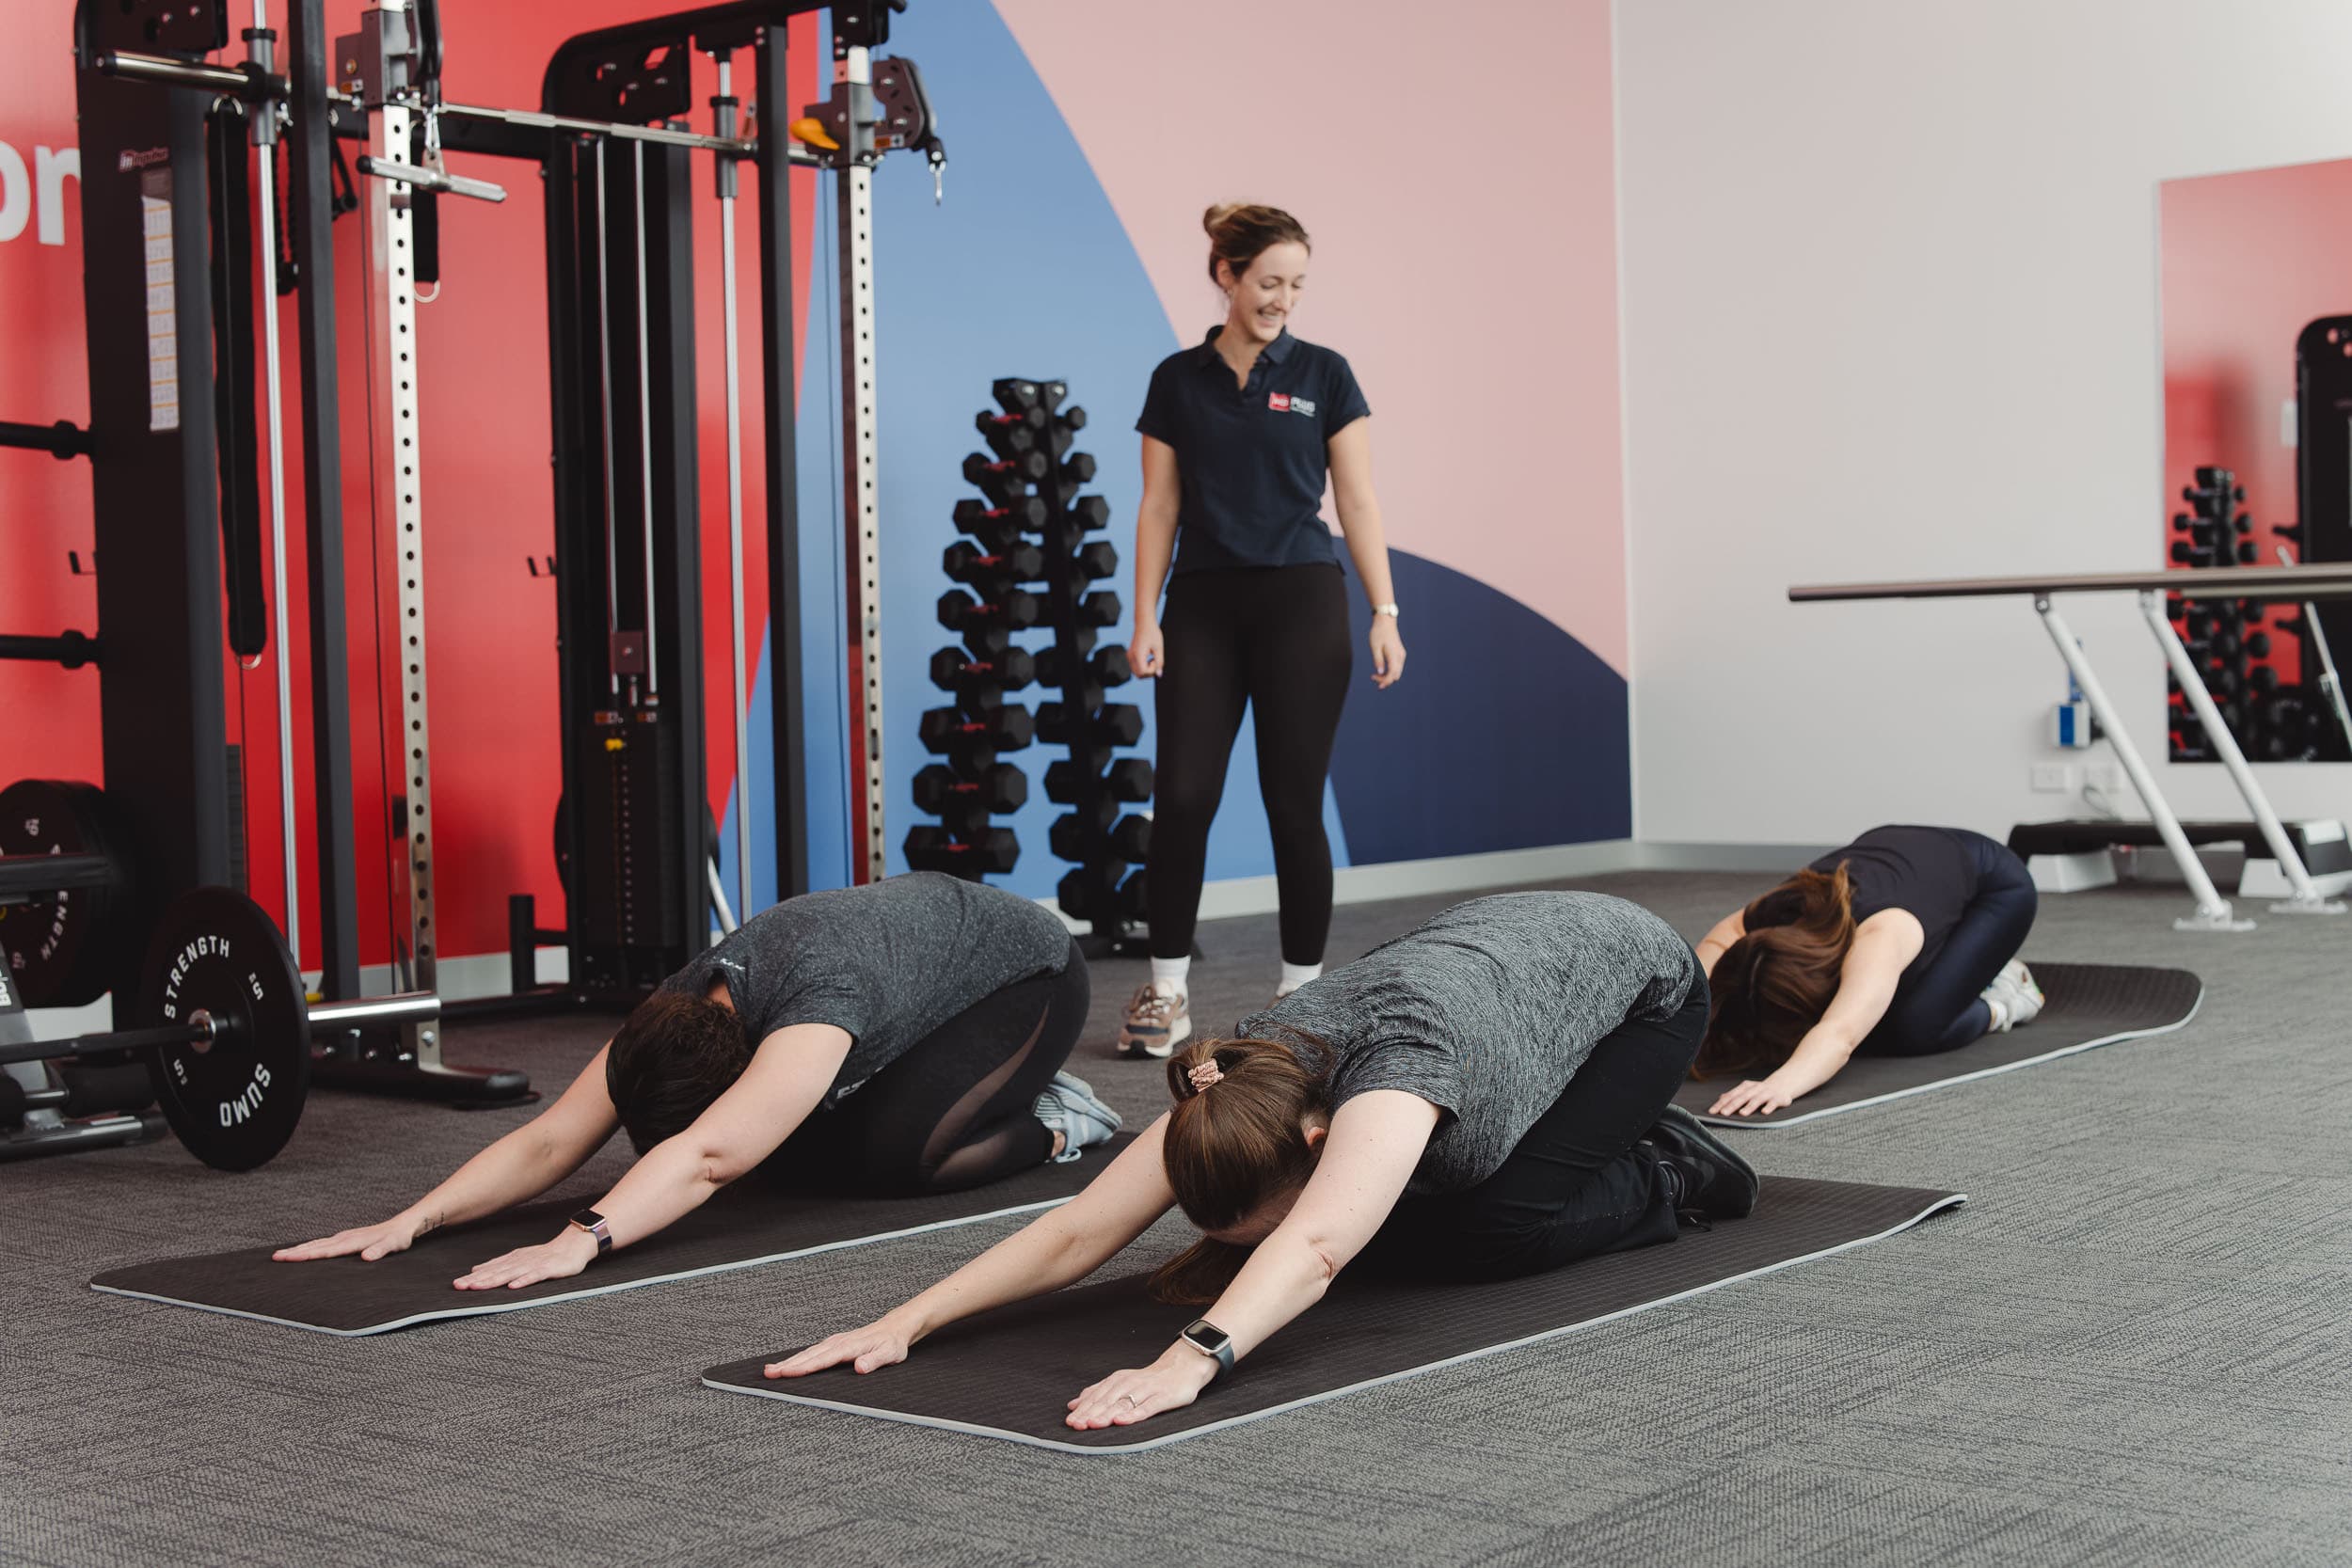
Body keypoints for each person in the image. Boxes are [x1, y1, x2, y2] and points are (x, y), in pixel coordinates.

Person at [771, 893, 1756, 1433]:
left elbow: (1322, 1243)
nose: (1252, 1247)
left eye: (1260, 1225)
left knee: (1483, 1222)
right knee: (1393, 1220)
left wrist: (1186, 1362)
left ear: (1319, 1138)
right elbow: (1077, 1226)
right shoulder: (1237, 1082)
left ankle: (1665, 1161)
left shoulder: (1400, 1076)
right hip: (1498, 961)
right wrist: (905, 1319)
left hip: (1635, 990)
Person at [274, 874, 1122, 1289]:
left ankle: (1055, 1118)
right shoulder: (678, 1006)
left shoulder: (820, 1004)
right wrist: (413, 1218)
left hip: (1025, 975)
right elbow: (551, 1136)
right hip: (906, 976)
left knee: (896, 1157)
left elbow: (711, 1156)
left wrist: (580, 1240)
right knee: (785, 1148)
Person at [1118, 202, 1406, 1058]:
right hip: (1202, 605)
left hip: (1303, 602)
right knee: (1183, 798)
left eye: (1296, 285)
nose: (1283, 299)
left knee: (1292, 804)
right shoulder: (1177, 379)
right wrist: (1144, 614)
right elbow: (1159, 504)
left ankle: (1301, 996)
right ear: (1227, 277)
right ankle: (1165, 990)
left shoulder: (1326, 372)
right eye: (1269, 282)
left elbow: (1356, 500)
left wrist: (1385, 610)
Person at [1692, 824, 2044, 1118]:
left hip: (1995, 885)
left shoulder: (1879, 937)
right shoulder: (1780, 910)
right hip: (1906, 854)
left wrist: (1782, 1083)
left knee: (1907, 1026)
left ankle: (2008, 995)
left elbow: (1841, 1033)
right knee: (1864, 1006)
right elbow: (1719, 948)